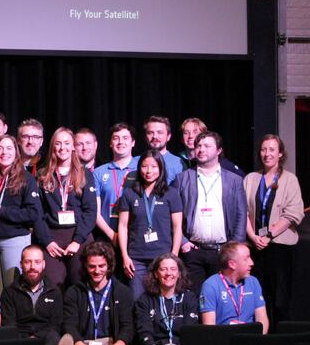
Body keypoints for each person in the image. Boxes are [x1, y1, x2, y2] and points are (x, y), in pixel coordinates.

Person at [173, 131, 247, 293]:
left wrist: (234, 247)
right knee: (193, 299)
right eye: (199, 146)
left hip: (222, 251)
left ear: (219, 150)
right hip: (193, 251)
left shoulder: (234, 180)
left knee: (222, 297)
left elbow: (241, 215)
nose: (201, 149)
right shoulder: (182, 178)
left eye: (207, 146)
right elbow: (173, 214)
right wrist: (183, 242)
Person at [244, 134, 304, 329]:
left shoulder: (290, 179)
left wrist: (268, 236)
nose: (267, 154)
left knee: (280, 300)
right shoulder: (251, 179)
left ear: (280, 154)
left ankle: (282, 339)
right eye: (263, 149)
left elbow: (292, 214)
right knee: (259, 299)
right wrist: (253, 237)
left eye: (271, 150)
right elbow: (243, 212)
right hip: (255, 247)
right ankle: (262, 339)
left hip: (280, 247)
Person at [59, 241, 133, 345]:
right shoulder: (74, 292)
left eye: (101, 266)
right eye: (92, 266)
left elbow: (127, 325)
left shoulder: (122, 291)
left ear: (109, 266)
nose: (97, 271)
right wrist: (77, 341)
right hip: (85, 344)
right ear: (85, 266)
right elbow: (69, 323)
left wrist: (122, 341)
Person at [34, 127, 97, 288]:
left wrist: (77, 241)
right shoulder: (42, 175)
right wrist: (47, 241)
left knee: (80, 284)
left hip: (79, 235)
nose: (63, 148)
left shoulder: (85, 174)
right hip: (52, 237)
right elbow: (37, 213)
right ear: (52, 147)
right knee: (53, 285)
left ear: (73, 146)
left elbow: (90, 212)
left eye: (67, 143)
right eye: (58, 143)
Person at [0, 134, 43, 292]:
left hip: (14, 239)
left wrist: (1, 210)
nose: (4, 152)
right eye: (0, 148)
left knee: (13, 289)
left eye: (9, 148)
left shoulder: (26, 178)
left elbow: (33, 213)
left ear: (16, 152)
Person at [117, 150, 183, 299]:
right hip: (136, 259)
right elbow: (122, 226)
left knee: (162, 300)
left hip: (163, 258)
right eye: (144, 166)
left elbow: (177, 227)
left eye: (154, 166)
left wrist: (174, 256)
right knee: (137, 299)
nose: (148, 171)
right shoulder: (129, 194)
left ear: (161, 168)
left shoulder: (171, 193)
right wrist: (125, 256)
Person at [135, 254, 199, 345]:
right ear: (155, 274)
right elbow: (144, 330)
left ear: (179, 274)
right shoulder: (145, 300)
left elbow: (191, 331)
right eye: (163, 269)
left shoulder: (189, 298)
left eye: (173, 269)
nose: (168, 273)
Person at [0, 245, 63, 345]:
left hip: (46, 340)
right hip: (19, 340)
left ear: (43, 264)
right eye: (28, 262)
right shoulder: (9, 292)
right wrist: (27, 341)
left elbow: (56, 325)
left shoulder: (54, 291)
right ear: (21, 264)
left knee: (54, 336)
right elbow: (9, 325)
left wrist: (36, 338)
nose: (32, 266)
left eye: (37, 262)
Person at [200, 241, 269, 334]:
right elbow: (209, 326)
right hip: (223, 339)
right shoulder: (210, 285)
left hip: (251, 338)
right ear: (232, 264)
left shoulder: (253, 282)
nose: (252, 263)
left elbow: (262, 318)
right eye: (246, 258)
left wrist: (260, 339)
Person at [93, 123, 139, 244]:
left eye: (125, 138)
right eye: (116, 138)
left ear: (133, 142)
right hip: (106, 235)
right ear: (110, 143)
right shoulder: (98, 172)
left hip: (136, 235)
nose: (120, 142)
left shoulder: (142, 169)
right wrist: (112, 235)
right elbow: (95, 212)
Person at [178, 117, 245, 177]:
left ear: (204, 135)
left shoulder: (219, 162)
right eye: (186, 133)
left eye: (195, 132)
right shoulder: (176, 160)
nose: (190, 136)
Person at [144, 115, 184, 184]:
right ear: (145, 136)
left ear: (168, 136)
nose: (155, 136)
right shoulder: (136, 161)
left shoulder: (179, 163)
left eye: (159, 132)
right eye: (150, 133)